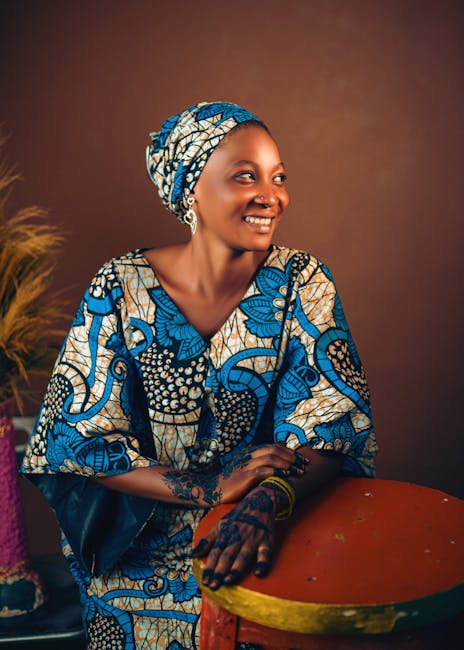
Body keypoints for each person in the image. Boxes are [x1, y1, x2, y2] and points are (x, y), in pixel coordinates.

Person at [20, 101, 378, 650]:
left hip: (269, 524)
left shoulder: (302, 281)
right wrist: (209, 488)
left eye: (279, 177)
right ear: (190, 190)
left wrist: (263, 502)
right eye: (246, 176)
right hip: (139, 543)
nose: (271, 195)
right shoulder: (120, 286)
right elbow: (80, 439)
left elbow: (332, 424)